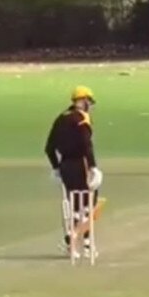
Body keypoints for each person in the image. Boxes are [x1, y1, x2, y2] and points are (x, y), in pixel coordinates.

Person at [45, 86, 104, 259]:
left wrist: (56, 167)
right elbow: (87, 145)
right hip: (81, 164)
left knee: (76, 207)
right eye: (89, 102)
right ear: (83, 100)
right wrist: (93, 167)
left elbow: (49, 147)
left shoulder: (60, 118)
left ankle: (77, 244)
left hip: (65, 166)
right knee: (90, 206)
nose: (90, 106)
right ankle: (81, 244)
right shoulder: (82, 119)